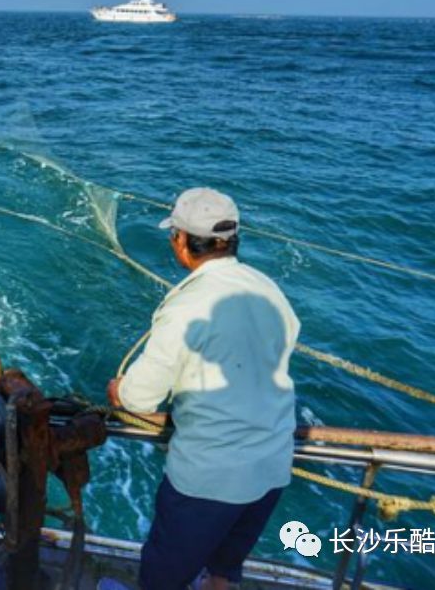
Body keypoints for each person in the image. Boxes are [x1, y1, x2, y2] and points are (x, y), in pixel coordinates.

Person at [106, 187, 299, 590]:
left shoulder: (185, 307)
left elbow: (138, 399)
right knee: (223, 572)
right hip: (272, 467)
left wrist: (118, 391)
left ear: (180, 241)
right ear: (231, 240)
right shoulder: (269, 290)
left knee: (162, 578)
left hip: (210, 479)